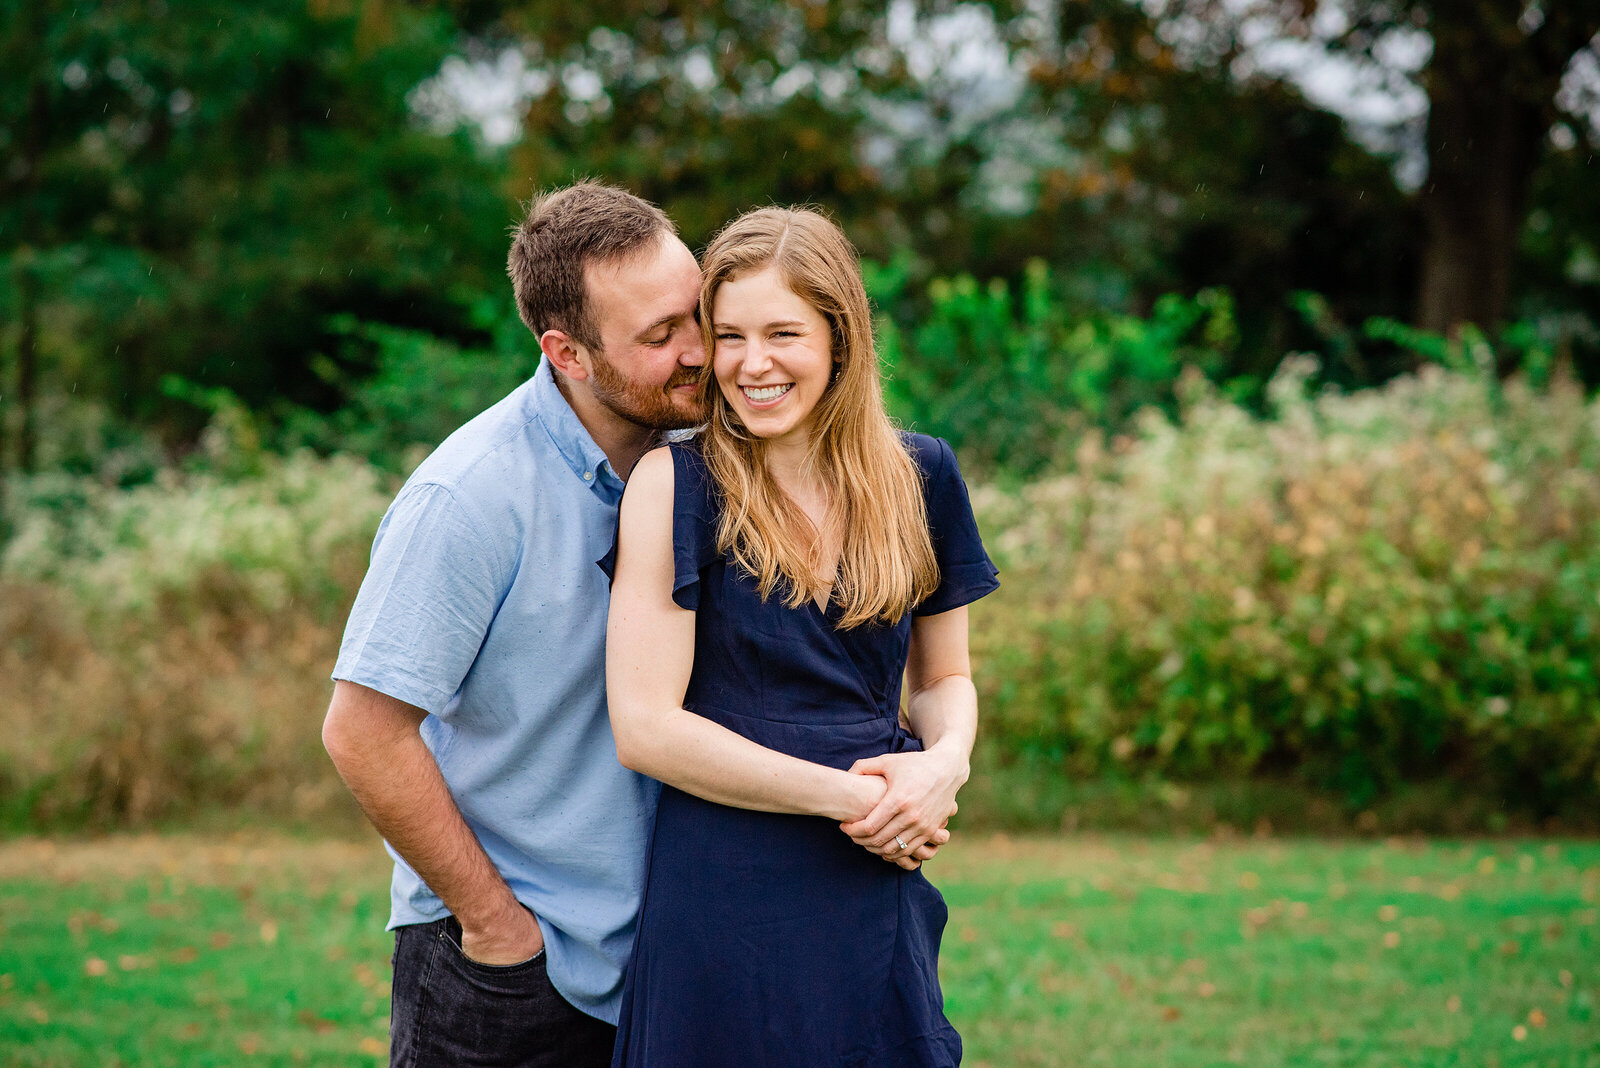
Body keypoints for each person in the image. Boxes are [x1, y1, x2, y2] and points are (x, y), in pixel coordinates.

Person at [322, 183, 955, 1068]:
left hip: (676, 948)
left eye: (695, 315)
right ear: (568, 354)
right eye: (662, 338)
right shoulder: (470, 497)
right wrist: (496, 925)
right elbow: (361, 731)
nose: (705, 353)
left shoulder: (713, 473)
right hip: (511, 967)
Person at [605, 206, 1000, 1067]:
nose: (753, 365)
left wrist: (943, 768)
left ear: (840, 338)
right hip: (723, 890)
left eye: (783, 333)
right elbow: (645, 726)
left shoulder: (922, 476)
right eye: (730, 335)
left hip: (872, 881)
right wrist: (849, 798)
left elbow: (943, 680)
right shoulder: (675, 483)